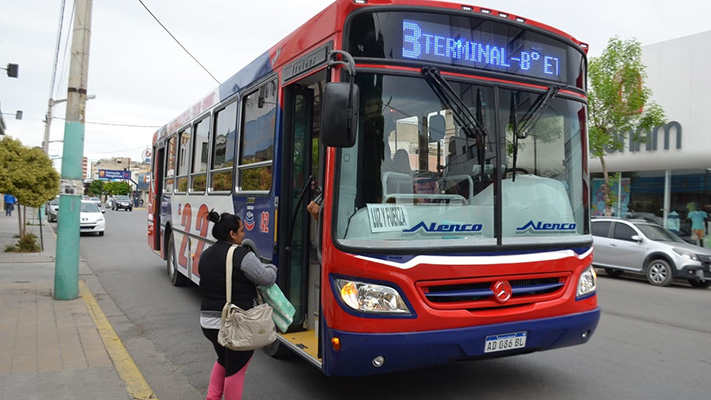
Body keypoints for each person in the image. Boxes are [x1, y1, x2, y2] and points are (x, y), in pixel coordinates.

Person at [198, 211, 277, 400]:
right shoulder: (241, 254)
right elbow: (266, 278)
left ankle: (212, 397)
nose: (244, 234)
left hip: (208, 323)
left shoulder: (206, 254)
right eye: (241, 231)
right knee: (236, 368)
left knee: (224, 360)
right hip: (234, 324)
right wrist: (272, 267)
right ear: (232, 234)